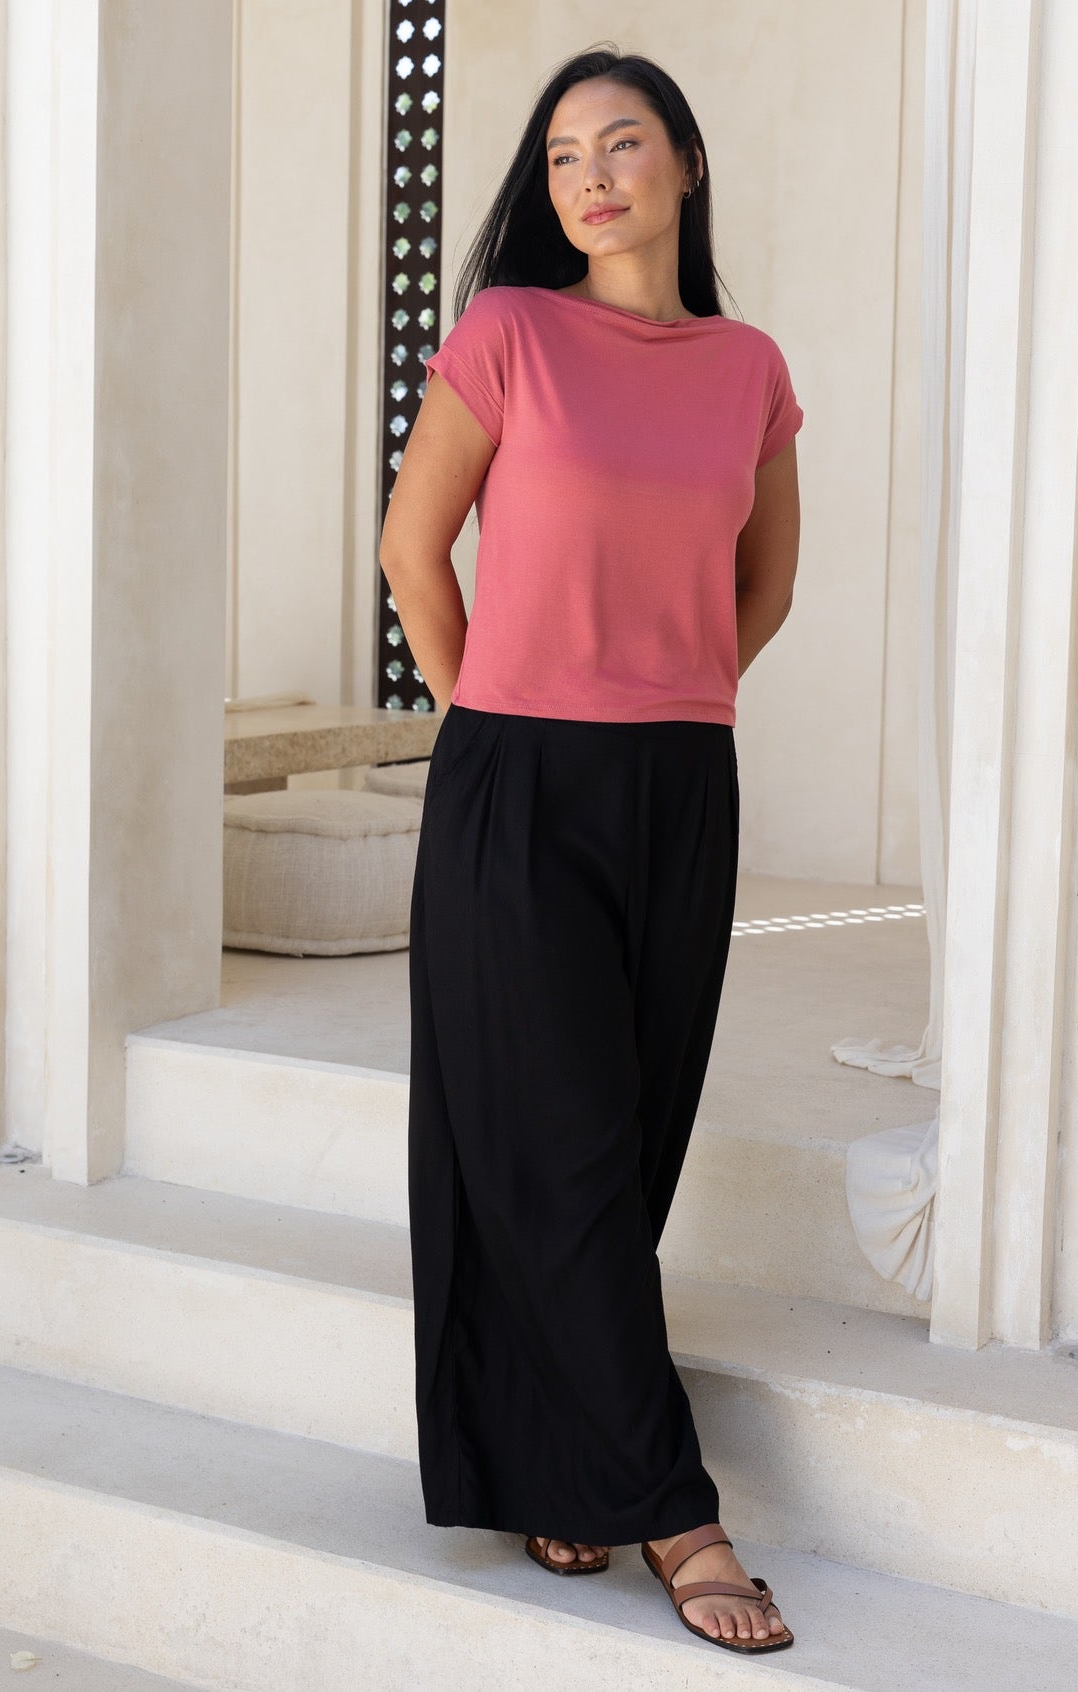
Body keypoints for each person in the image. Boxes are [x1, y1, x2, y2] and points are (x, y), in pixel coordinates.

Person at [379, 45, 802, 1657]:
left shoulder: (749, 368)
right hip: (519, 774)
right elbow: (413, 548)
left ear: (685, 164)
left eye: (623, 144)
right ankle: (676, 1510)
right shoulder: (510, 333)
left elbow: (763, 585)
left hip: (681, 780)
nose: (593, 176)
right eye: (563, 156)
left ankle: (555, 1461)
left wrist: (662, 693)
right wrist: (500, 712)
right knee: (549, 1139)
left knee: (624, 1138)